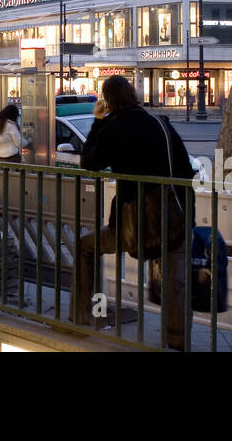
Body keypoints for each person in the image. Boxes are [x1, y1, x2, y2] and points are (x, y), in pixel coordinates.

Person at [72, 74, 193, 348]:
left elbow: (89, 161)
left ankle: (80, 316)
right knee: (175, 284)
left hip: (133, 222)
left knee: (85, 247)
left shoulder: (114, 127)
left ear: (107, 101)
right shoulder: (160, 123)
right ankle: (176, 343)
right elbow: (184, 168)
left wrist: (98, 122)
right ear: (133, 94)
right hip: (172, 217)